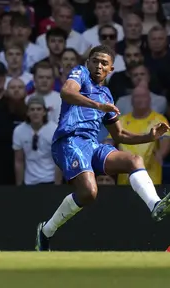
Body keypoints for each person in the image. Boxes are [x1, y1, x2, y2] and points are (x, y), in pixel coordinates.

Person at [35, 45, 170, 251]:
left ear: (111, 69)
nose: (99, 66)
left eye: (104, 63)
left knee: (133, 160)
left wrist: (148, 137)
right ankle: (46, 231)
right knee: (89, 193)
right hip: (69, 141)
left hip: (91, 144)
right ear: (88, 62)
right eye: (95, 61)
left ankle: (155, 205)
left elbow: (120, 135)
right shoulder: (79, 74)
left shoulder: (106, 94)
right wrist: (98, 106)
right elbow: (67, 92)